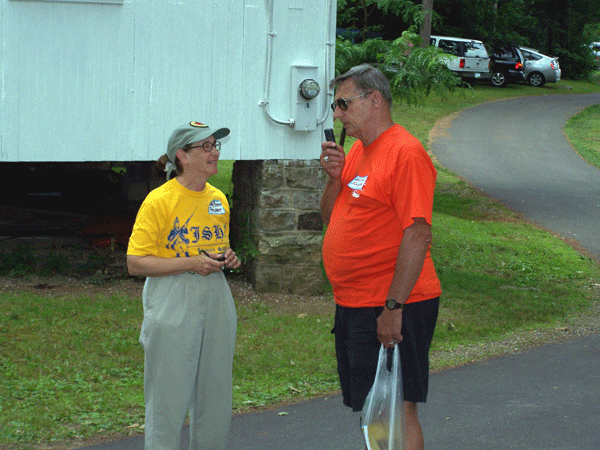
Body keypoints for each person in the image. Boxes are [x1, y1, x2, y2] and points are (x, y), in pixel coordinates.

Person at [320, 64, 442, 450]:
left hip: (393, 302)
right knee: (374, 407)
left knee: (398, 408)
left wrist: (393, 307)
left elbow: (418, 234)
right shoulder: (357, 151)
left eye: (343, 103)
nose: (336, 114)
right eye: (335, 105)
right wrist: (333, 178)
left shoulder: (405, 152)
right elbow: (331, 219)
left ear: (374, 100)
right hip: (356, 302)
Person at [127, 120, 241, 450]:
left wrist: (227, 257)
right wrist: (191, 263)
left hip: (216, 294)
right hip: (172, 294)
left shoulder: (218, 198)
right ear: (182, 156)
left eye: (216, 145)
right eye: (205, 146)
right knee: (168, 396)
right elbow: (135, 262)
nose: (214, 152)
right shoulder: (159, 200)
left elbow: (216, 245)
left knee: (216, 392)